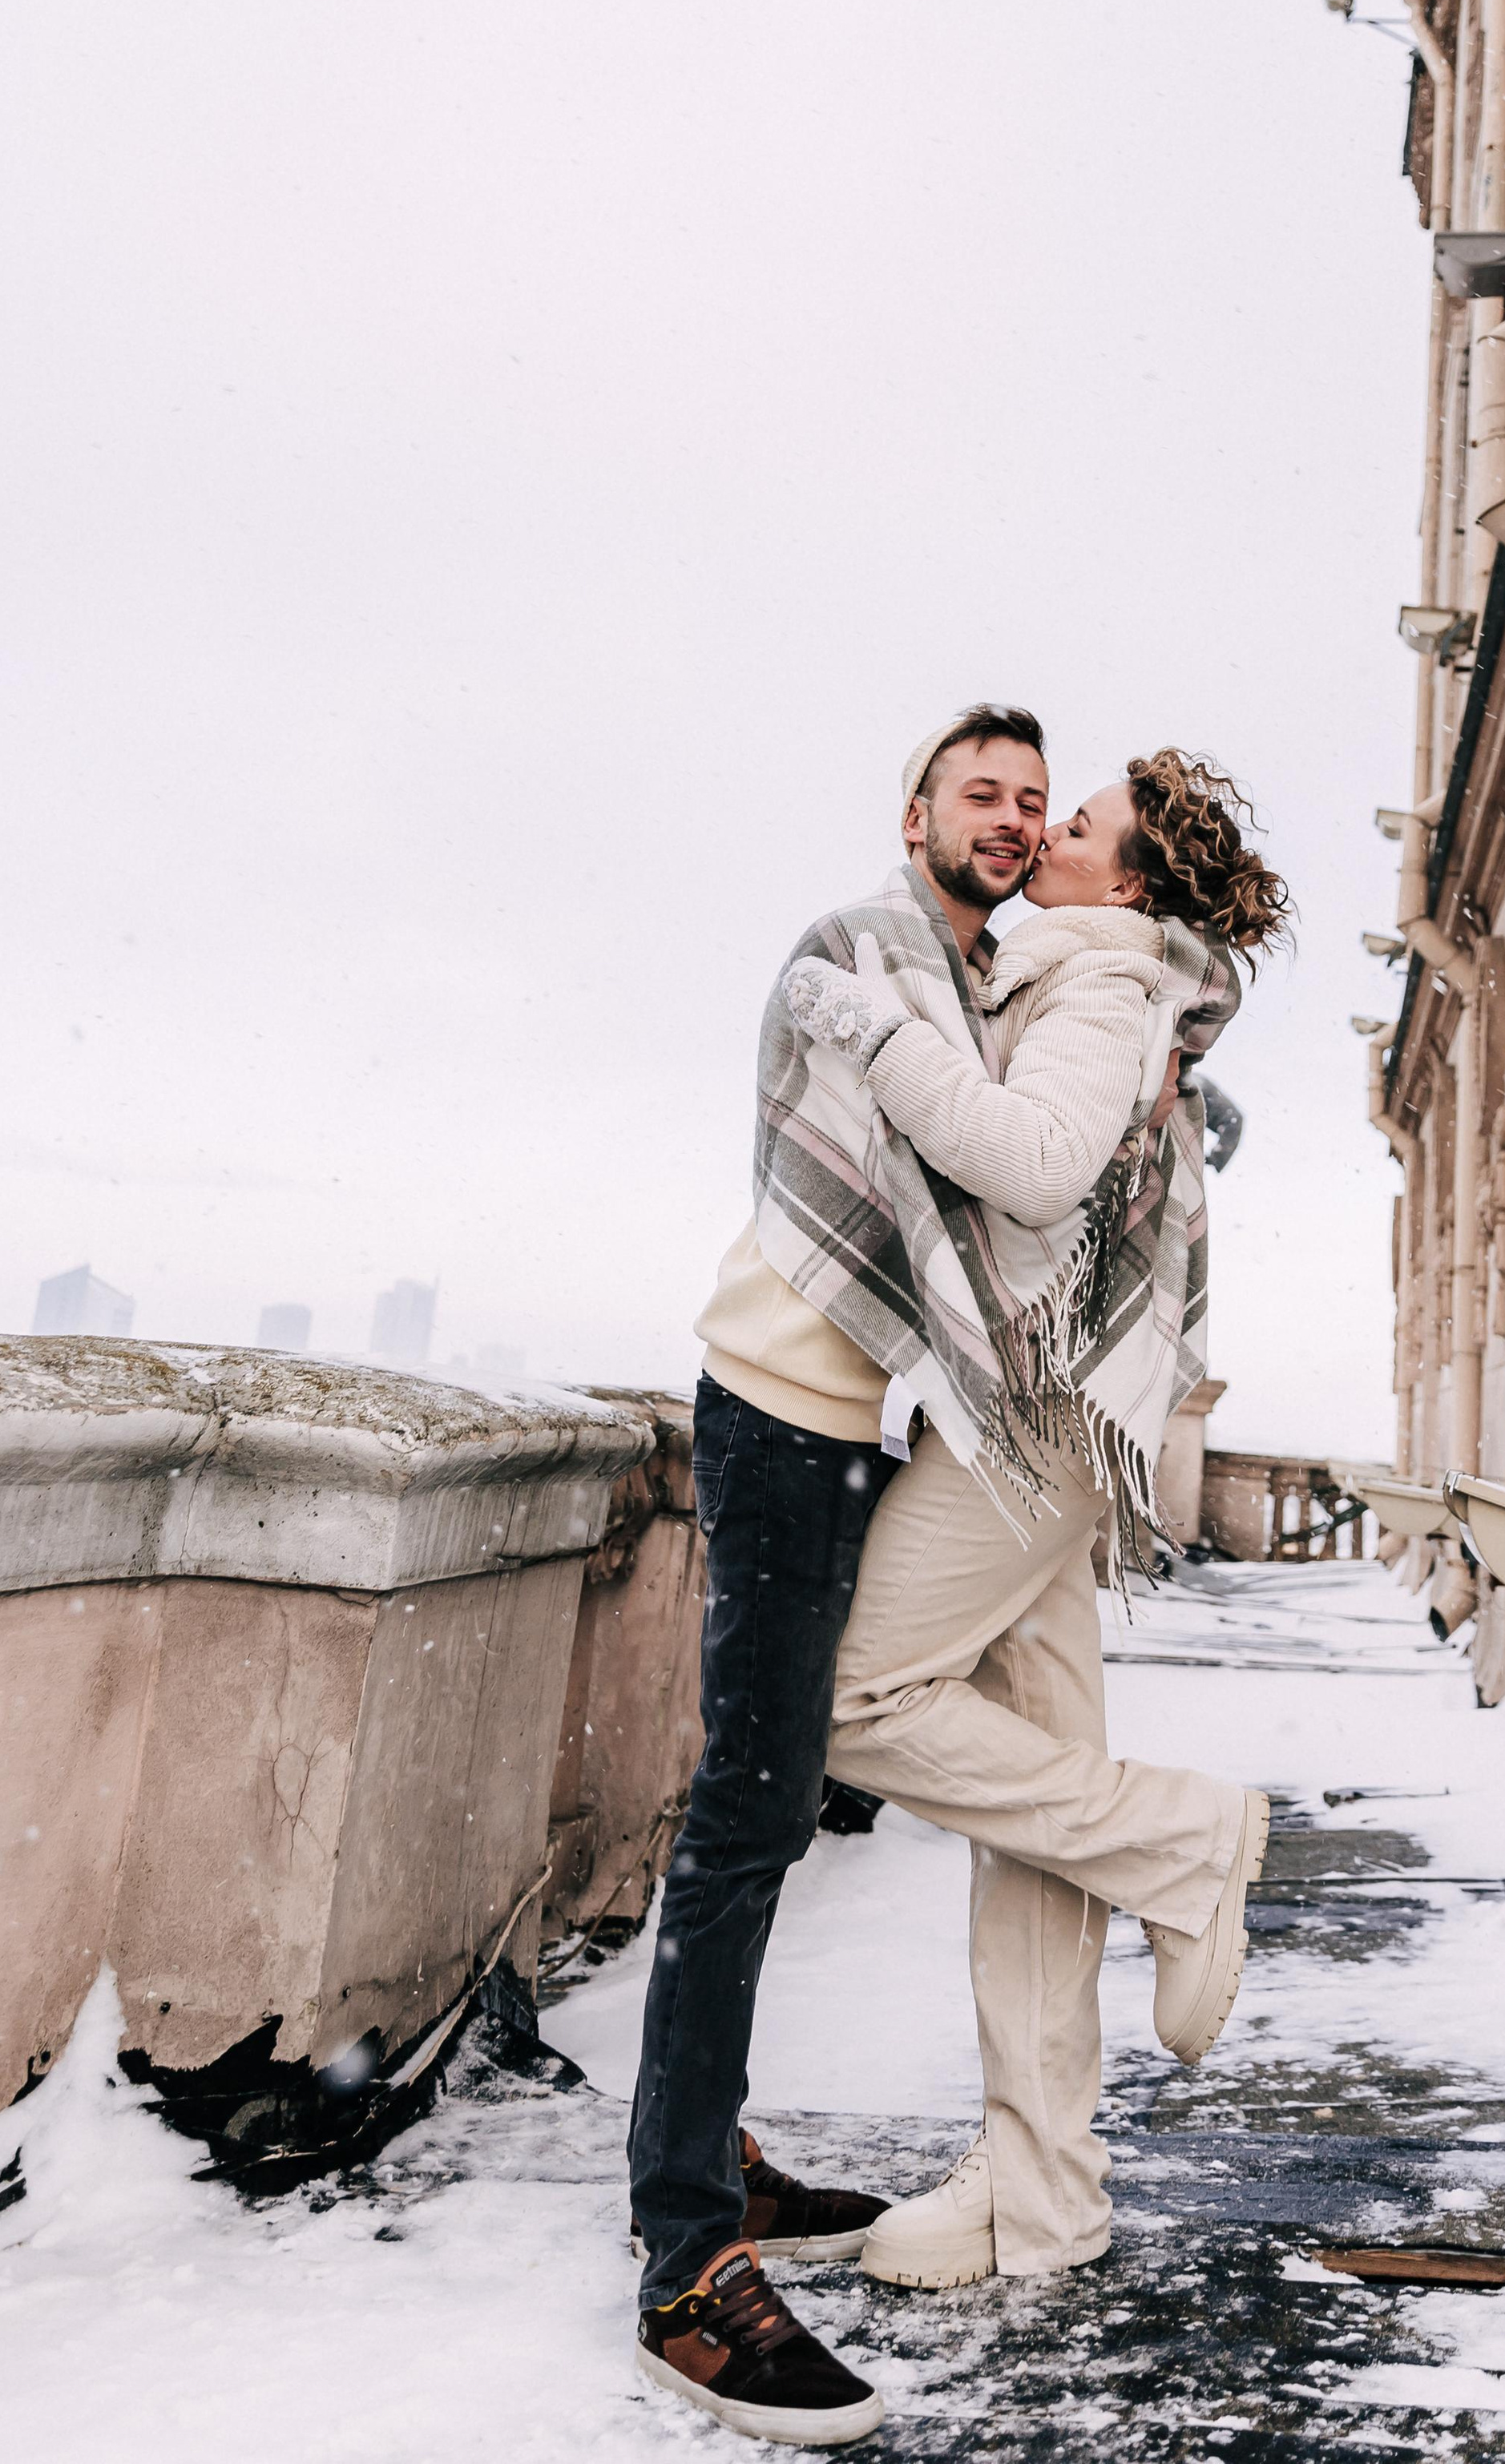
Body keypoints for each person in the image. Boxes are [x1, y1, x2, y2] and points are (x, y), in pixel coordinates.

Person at [794, 752, 1293, 2294]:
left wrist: (876, 1034)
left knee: (856, 1699)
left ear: (1129, 883)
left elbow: (1028, 1164)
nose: (1048, 834)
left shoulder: (1096, 981)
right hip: (1070, 1412)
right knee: (1035, 1816)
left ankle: (1188, 1840)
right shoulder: (1094, 976)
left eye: (1079, 827)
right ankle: (1045, 2192)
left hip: (1044, 1423)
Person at [629, 708, 1053, 2444]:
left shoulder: (978, 992)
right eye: (984, 794)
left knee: (793, 1785)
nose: (1014, 821)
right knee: (743, 1810)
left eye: (1033, 800)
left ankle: (704, 2147)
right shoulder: (861, 953)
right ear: (916, 814)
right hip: (775, 1408)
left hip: (854, 1420)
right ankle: (681, 2266)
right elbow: (949, 1168)